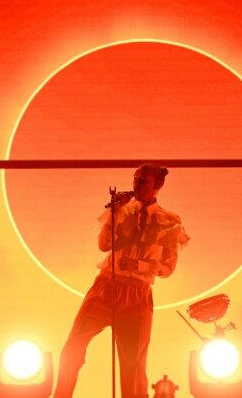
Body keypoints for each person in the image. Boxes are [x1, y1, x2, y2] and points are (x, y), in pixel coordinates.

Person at [53, 164, 189, 398]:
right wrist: (114, 213)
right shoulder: (123, 210)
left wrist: (140, 266)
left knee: (133, 364)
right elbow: (103, 245)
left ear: (157, 185)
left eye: (143, 181)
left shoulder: (169, 220)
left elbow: (167, 268)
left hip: (137, 294)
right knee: (73, 347)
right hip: (106, 287)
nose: (136, 184)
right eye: (135, 179)